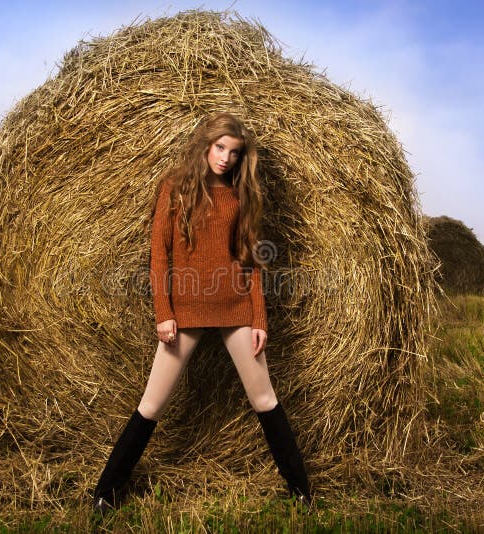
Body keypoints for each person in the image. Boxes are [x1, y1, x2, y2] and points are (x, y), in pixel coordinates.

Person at [92, 112, 311, 515]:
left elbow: (251, 260)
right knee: (151, 404)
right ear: (206, 145)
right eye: (220, 147)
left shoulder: (241, 194)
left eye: (234, 152)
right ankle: (106, 493)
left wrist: (258, 318)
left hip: (236, 307)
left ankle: (302, 490)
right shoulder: (174, 187)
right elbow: (160, 254)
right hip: (186, 310)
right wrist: (164, 312)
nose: (226, 158)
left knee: (264, 398)